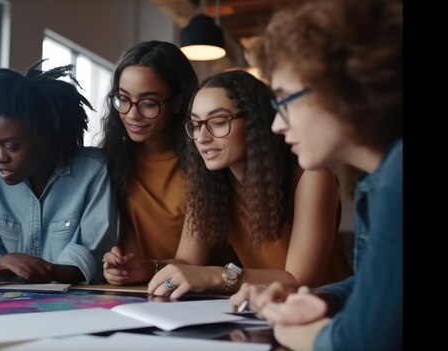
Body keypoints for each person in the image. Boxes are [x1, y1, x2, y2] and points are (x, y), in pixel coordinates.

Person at [229, 0, 402, 350]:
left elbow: (361, 343)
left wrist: (296, 335)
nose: (277, 124)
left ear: (346, 88)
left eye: (284, 101)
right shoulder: (382, 177)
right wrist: (323, 299)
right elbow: (383, 283)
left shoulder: (397, 180)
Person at [146, 70, 351, 299]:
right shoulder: (211, 183)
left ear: (255, 123)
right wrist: (146, 268)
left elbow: (300, 279)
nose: (202, 137)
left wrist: (215, 276)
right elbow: (187, 263)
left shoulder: (312, 176)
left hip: (328, 315)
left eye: (218, 122)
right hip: (263, 311)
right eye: (195, 124)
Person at [0, 62, 117, 284]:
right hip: (3, 306)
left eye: (11, 146)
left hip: (74, 306)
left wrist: (45, 271)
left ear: (45, 139)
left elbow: (95, 255)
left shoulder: (94, 170)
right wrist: (3, 262)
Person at [100, 41, 201, 285]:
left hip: (201, 293)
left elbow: (194, 262)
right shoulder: (110, 161)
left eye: (148, 103)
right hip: (136, 291)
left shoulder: (203, 162)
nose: (132, 114)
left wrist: (151, 268)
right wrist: (117, 264)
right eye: (123, 99)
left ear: (177, 104)